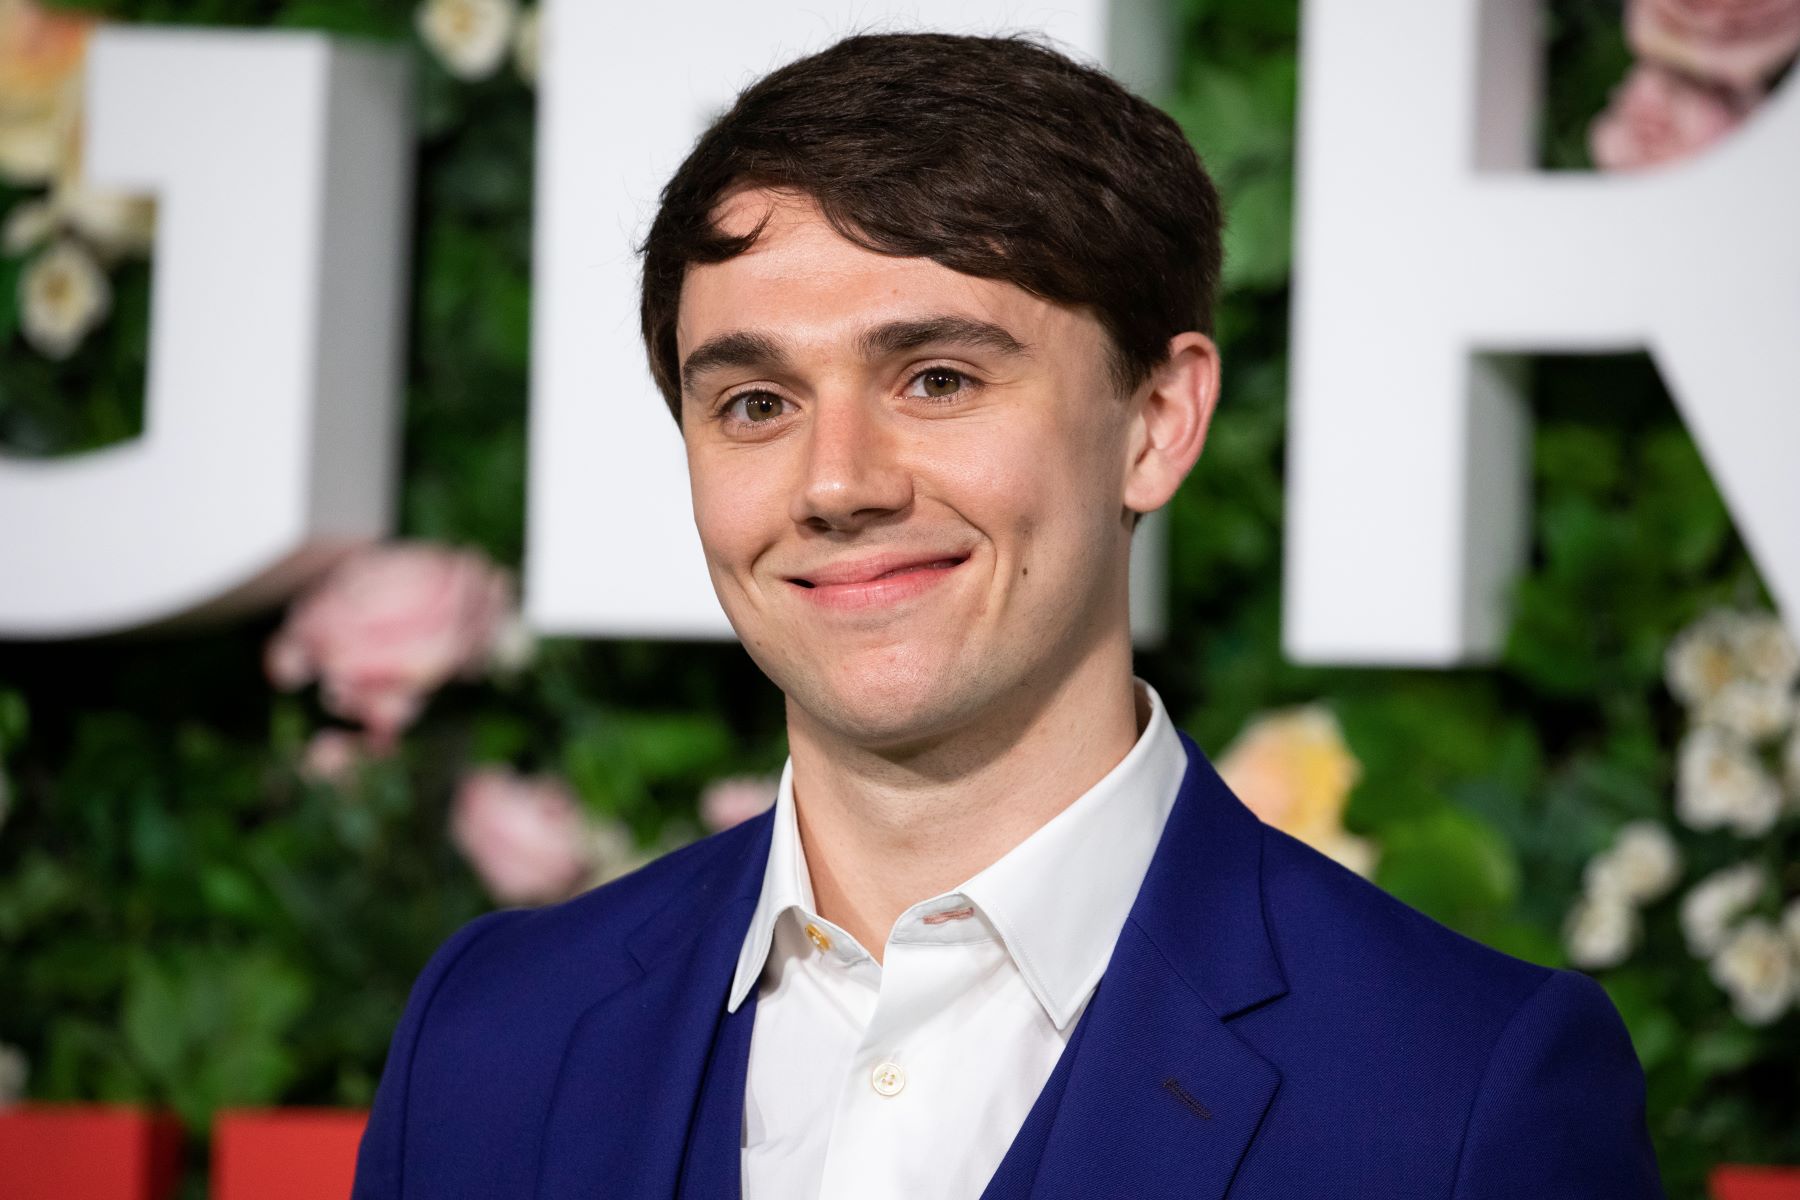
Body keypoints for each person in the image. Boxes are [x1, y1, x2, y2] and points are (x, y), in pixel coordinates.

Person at [352, 32, 1665, 1200]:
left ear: (1157, 424)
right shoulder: (492, 1038)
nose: (837, 483)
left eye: (936, 378)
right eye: (755, 402)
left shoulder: (1460, 1092)